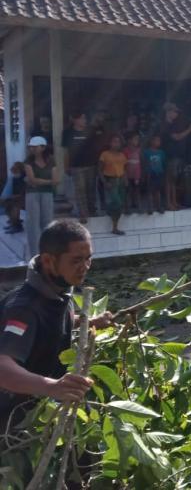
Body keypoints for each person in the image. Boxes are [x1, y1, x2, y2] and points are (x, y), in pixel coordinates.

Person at [0, 220, 113, 433]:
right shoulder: (24, 309)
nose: (85, 268)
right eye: (76, 260)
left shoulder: (58, 291)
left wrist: (87, 322)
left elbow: (49, 326)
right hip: (14, 427)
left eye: (89, 259)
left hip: (45, 415)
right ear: (48, 260)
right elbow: (3, 368)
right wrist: (53, 387)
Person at [24, 137, 59, 261]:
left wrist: (40, 181)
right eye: (31, 147)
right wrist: (49, 181)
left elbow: (56, 180)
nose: (32, 149)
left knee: (47, 223)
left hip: (47, 194)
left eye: (35, 146)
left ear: (43, 147)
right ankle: (35, 256)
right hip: (32, 194)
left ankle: (47, 253)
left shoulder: (51, 161)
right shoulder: (28, 161)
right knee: (33, 224)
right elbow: (32, 180)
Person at [161, 102, 191, 210]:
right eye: (174, 111)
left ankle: (174, 201)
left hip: (175, 155)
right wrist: (190, 129)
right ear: (168, 112)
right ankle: (168, 202)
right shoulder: (165, 125)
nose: (176, 114)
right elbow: (176, 137)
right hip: (168, 155)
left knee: (173, 179)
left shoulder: (173, 124)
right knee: (168, 180)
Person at [62, 112, 96, 223]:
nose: (84, 120)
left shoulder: (90, 131)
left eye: (85, 118)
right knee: (80, 189)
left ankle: (91, 210)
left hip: (90, 164)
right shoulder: (68, 132)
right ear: (75, 120)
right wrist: (66, 166)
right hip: (76, 165)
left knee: (90, 188)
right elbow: (66, 151)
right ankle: (83, 213)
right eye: (82, 118)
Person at [98, 134, 127, 235]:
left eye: (118, 142)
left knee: (120, 205)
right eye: (114, 141)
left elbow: (124, 169)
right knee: (117, 202)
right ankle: (107, 209)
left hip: (121, 180)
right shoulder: (104, 154)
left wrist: (125, 180)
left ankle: (115, 227)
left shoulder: (122, 155)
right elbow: (100, 170)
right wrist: (104, 182)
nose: (116, 144)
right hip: (110, 179)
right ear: (110, 143)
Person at [143, 135, 166, 214]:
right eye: (156, 140)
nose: (158, 142)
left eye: (159, 141)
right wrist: (146, 173)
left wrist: (163, 173)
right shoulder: (146, 152)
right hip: (150, 174)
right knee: (150, 191)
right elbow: (144, 163)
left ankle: (159, 206)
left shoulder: (161, 152)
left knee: (158, 191)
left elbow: (163, 163)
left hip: (159, 174)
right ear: (151, 141)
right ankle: (150, 207)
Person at [4, 162, 26, 234]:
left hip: (27, 198)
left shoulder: (24, 178)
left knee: (15, 205)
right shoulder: (15, 178)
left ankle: (17, 226)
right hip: (18, 197)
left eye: (15, 169)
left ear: (19, 169)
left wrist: (13, 197)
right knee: (7, 203)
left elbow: (23, 192)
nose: (12, 171)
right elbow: (14, 192)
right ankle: (13, 222)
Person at [124, 132, 143, 214]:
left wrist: (139, 176)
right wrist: (124, 177)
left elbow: (140, 163)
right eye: (135, 139)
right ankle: (127, 208)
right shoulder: (125, 151)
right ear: (129, 140)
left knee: (137, 191)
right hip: (128, 175)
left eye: (138, 139)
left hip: (137, 175)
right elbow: (123, 165)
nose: (137, 141)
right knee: (128, 191)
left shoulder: (139, 150)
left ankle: (139, 207)